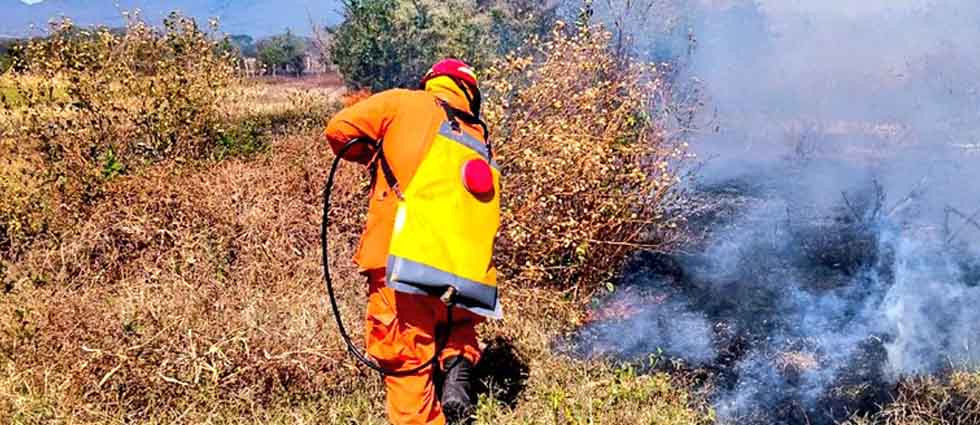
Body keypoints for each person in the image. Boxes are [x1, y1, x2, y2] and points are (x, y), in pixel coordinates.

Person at [324, 59, 500, 425]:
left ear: (432, 82)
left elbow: (338, 131)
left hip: (402, 263)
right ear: (470, 93)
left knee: (406, 362)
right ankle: (457, 360)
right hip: (464, 271)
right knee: (456, 326)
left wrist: (375, 154)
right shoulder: (479, 136)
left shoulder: (402, 102)